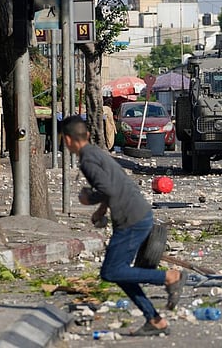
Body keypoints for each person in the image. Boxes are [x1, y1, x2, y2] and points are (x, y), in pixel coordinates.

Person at [61, 115, 187, 336]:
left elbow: (107, 189)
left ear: (67, 140)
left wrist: (87, 198)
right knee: (120, 273)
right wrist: (101, 211)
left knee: (111, 271)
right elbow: (114, 183)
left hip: (131, 220)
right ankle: (155, 320)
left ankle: (169, 277)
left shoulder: (87, 161)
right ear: (87, 136)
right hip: (137, 214)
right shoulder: (96, 153)